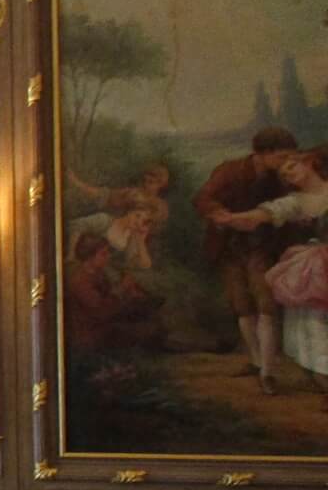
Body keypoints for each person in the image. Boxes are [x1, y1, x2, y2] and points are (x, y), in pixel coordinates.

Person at [214, 151, 328, 406]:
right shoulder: (295, 201)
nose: (288, 174)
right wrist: (232, 218)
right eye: (284, 173)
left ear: (309, 162)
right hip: (315, 270)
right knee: (308, 328)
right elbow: (260, 216)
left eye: (291, 166)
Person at [192, 126, 299, 393]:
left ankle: (268, 373)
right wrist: (219, 214)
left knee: (266, 305)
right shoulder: (230, 171)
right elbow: (203, 198)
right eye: (282, 156)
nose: (287, 162)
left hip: (264, 246)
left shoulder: (283, 177)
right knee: (242, 306)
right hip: (229, 246)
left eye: (289, 156)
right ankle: (254, 360)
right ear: (262, 154)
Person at [64, 231, 166, 354]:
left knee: (147, 310)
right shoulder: (80, 281)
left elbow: (110, 296)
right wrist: (122, 289)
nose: (108, 257)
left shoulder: (99, 273)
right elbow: (102, 311)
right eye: (103, 254)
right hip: (94, 334)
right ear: (90, 257)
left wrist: (131, 294)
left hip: (106, 323)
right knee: (146, 330)